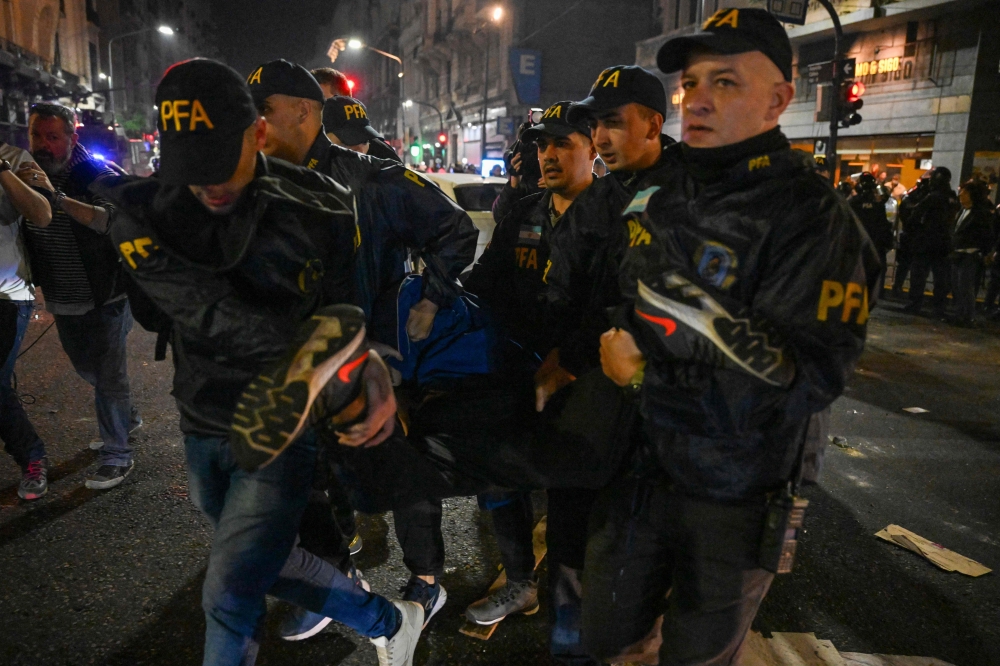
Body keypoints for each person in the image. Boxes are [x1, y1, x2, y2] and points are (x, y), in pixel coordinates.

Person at [96, 58, 423, 666]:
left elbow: (345, 303)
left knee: (229, 589)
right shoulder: (143, 213)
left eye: (223, 162)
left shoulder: (322, 204)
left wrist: (368, 362)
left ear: (258, 133)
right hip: (202, 412)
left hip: (284, 426)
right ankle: (386, 619)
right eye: (193, 170)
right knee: (254, 558)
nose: (210, 187)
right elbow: (176, 314)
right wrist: (330, 351)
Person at [593, 9, 879, 664]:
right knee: (608, 634)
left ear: (779, 99)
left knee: (697, 650)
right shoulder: (659, 194)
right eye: (690, 83)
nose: (696, 100)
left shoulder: (814, 217)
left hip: (738, 487)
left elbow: (806, 379)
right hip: (639, 466)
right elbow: (626, 298)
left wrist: (641, 375)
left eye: (724, 82)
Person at [246, 58, 477, 637]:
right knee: (317, 475)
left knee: (400, 472)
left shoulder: (372, 179)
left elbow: (456, 230)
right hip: (303, 367)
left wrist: (429, 299)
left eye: (265, 112)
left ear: (304, 111)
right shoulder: (258, 182)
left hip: (378, 363)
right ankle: (337, 575)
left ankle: (427, 581)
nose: (256, 125)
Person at [461, 101, 597, 639]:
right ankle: (521, 584)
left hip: (586, 387)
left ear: (595, 148)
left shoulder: (621, 216)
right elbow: (487, 277)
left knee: (573, 510)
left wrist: (575, 357)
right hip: (520, 373)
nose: (549, 155)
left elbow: (625, 305)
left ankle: (579, 619)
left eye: (564, 143)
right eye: (542, 145)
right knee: (499, 479)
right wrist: (440, 299)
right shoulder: (524, 213)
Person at [19, 102, 141, 491]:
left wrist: (55, 198)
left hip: (106, 293)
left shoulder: (93, 172)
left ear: (72, 138)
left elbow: (109, 220)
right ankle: (127, 417)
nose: (44, 145)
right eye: (37, 135)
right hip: (63, 296)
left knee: (108, 377)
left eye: (53, 137)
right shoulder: (25, 173)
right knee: (85, 366)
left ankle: (117, 455)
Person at [0, 139, 54, 500]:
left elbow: (42, 213)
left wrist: (3, 171)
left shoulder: (14, 158)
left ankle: (32, 455)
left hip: (7, 294)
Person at [903, 167, 958, 316]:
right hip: (944, 243)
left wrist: (914, 230)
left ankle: (915, 304)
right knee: (941, 278)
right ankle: (939, 307)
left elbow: (915, 215)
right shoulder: (952, 197)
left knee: (919, 276)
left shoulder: (933, 197)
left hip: (926, 242)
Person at [949, 179, 994, 326]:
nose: (960, 195)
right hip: (958, 253)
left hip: (970, 254)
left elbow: (987, 235)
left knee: (966, 287)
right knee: (957, 286)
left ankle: (968, 317)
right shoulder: (962, 211)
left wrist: (986, 253)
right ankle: (959, 314)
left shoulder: (980, 213)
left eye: (964, 192)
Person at [849, 172, 893, 299]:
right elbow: (883, 224)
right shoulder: (878, 204)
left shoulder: (854, 202)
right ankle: (877, 293)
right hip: (876, 243)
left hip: (859, 242)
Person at [890, 173, 931, 300]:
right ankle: (898, 287)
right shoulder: (916, 194)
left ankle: (902, 288)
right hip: (912, 234)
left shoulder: (927, 194)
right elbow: (905, 210)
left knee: (911, 266)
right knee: (907, 264)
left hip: (916, 234)